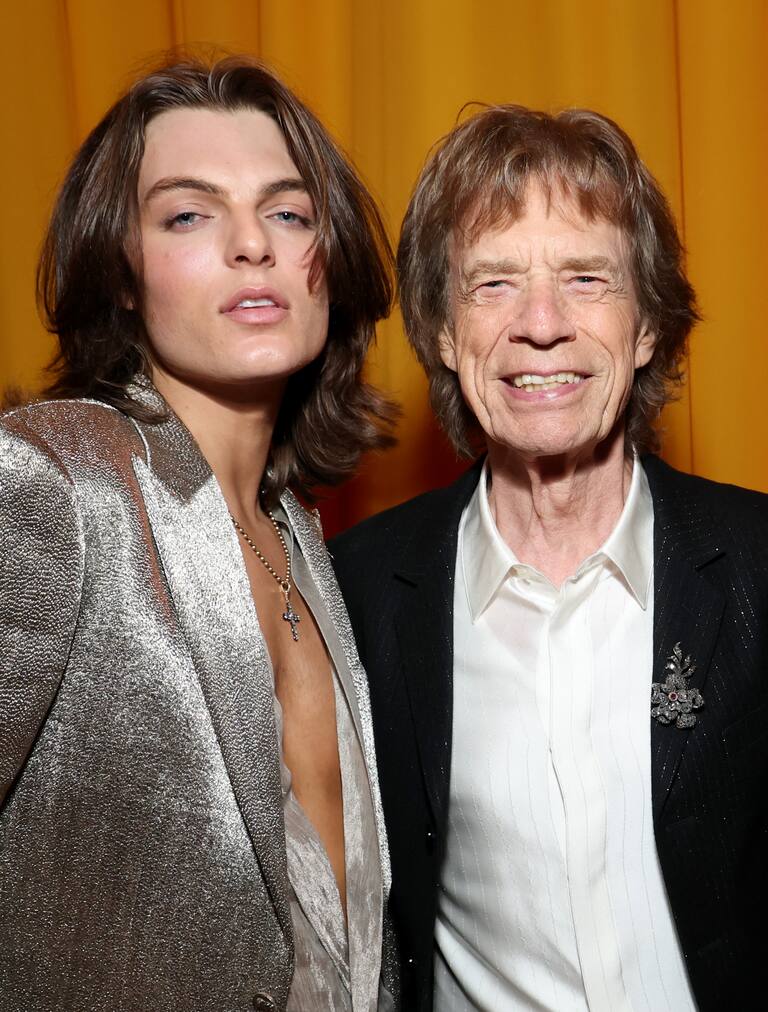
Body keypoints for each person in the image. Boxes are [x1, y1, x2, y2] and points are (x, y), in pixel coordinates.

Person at [330, 105, 768, 1012]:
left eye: (586, 278)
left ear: (646, 327)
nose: (541, 324)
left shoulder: (760, 564)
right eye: (493, 283)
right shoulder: (358, 596)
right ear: (443, 333)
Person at [0, 56, 399, 1012]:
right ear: (121, 274)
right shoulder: (56, 480)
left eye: (289, 213)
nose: (253, 245)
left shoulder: (302, 538)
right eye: (188, 215)